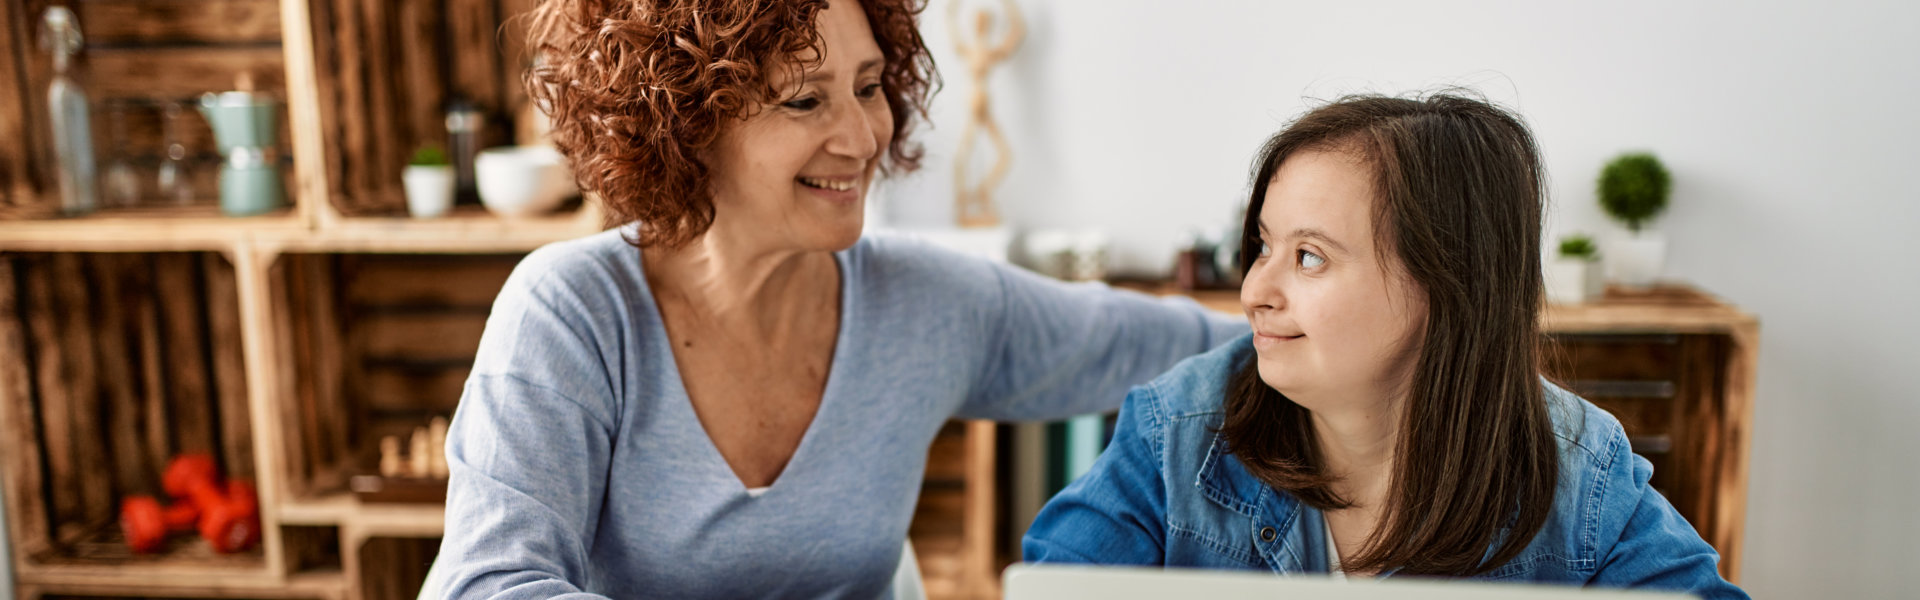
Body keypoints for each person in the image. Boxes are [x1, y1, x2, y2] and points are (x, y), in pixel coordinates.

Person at [428, 0, 1246, 597]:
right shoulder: (572, 313)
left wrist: (1312, 316)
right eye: (804, 99)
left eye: (867, 86)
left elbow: (1155, 341)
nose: (861, 137)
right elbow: (487, 585)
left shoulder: (926, 305)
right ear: (688, 121)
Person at [1021, 93, 1747, 599]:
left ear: (1447, 284)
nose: (1253, 291)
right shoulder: (1173, 433)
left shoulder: (1582, 474)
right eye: (1263, 246)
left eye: (1309, 257)